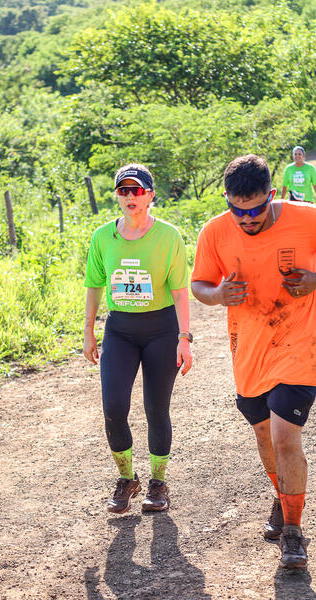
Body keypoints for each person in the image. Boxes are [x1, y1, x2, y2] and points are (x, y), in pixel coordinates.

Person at [191, 154, 316, 570]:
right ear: (226, 200)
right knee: (264, 437)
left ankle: (294, 534)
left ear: (273, 195)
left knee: (284, 436)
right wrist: (217, 295)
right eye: (237, 210)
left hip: (300, 345)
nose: (247, 218)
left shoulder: (307, 218)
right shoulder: (214, 231)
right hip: (249, 349)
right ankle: (283, 497)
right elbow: (199, 285)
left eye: (257, 208)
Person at [83, 163, 192, 514]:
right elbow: (94, 285)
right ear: (117, 195)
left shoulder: (169, 236)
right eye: (123, 190)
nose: (130, 196)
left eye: (137, 190)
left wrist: (184, 337)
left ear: (150, 194)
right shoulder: (102, 237)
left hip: (161, 329)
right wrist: (88, 331)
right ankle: (127, 479)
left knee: (155, 408)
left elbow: (179, 291)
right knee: (114, 408)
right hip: (120, 330)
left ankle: (158, 484)